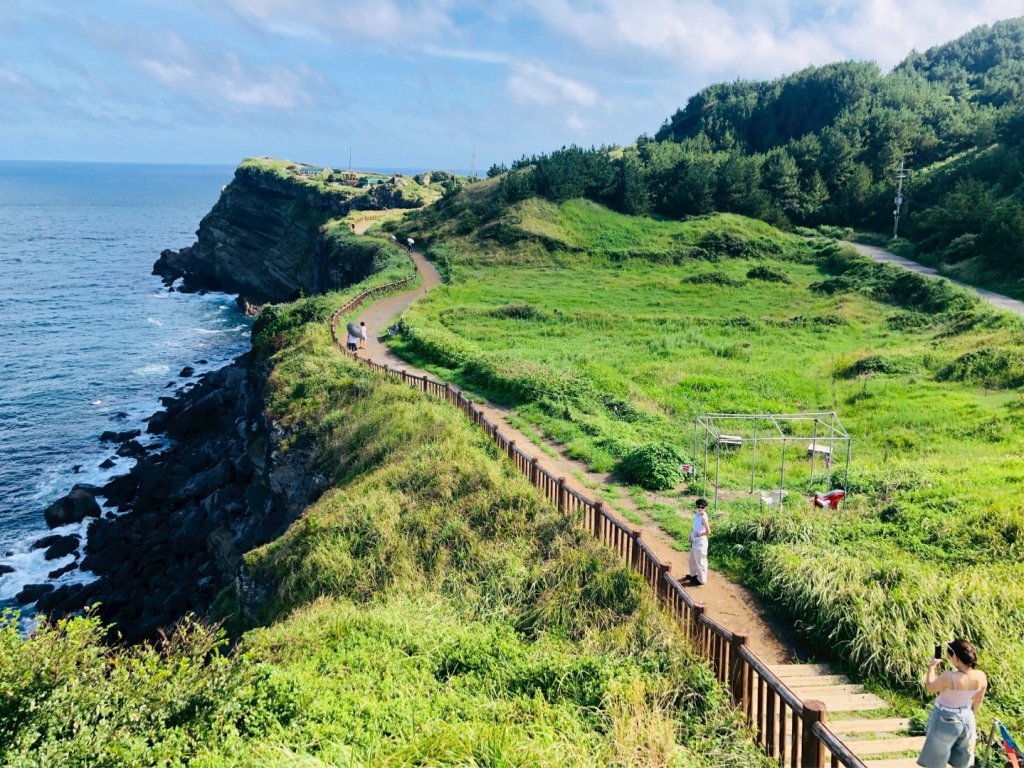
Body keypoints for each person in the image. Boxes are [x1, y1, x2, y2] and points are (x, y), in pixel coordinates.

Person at [917, 639, 987, 768]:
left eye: (950, 657)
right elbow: (979, 699)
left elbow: (930, 687)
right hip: (967, 718)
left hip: (945, 718)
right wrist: (970, 715)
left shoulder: (949, 676)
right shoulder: (981, 676)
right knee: (961, 760)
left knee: (935, 760)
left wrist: (932, 666)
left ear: (956, 657)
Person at [682, 498, 710, 586]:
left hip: (700, 543)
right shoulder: (697, 515)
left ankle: (701, 580)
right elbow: (695, 527)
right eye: (698, 507)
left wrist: (699, 535)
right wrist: (691, 535)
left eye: (702, 507)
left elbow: (708, 531)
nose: (700, 509)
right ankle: (693, 575)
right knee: (692, 559)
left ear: (705, 508)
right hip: (694, 541)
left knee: (701, 562)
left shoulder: (703, 517)